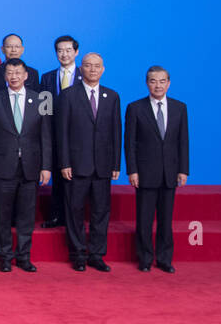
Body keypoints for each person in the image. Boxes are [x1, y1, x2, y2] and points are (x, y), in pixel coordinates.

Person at [0, 59, 52, 272]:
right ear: (5, 75)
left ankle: (23, 256)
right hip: (2, 166)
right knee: (3, 214)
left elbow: (46, 136)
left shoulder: (42, 99)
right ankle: (4, 255)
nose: (14, 76)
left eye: (18, 72)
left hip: (31, 166)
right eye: (10, 72)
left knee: (27, 215)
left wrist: (46, 166)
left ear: (26, 75)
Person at [57, 52, 121, 272]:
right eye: (88, 66)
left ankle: (96, 254)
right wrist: (64, 162)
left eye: (97, 66)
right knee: (74, 210)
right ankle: (77, 253)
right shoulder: (68, 95)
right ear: (80, 69)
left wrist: (115, 165)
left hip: (103, 166)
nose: (92, 70)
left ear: (103, 69)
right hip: (76, 165)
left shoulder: (112, 96)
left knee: (101, 211)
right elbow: (62, 132)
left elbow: (116, 132)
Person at [125, 66, 188, 273]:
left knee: (165, 220)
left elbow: (183, 142)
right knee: (144, 219)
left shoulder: (180, 108)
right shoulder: (135, 108)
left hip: (170, 173)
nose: (158, 85)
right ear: (147, 83)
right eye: (153, 81)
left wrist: (183, 170)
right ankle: (144, 258)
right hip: (144, 173)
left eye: (162, 81)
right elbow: (130, 143)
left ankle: (164, 259)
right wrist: (132, 170)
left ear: (168, 83)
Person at [40, 34, 80, 229]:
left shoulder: (84, 76)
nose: (64, 54)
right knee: (57, 177)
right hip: (55, 136)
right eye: (60, 51)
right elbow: (44, 110)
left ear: (76, 52)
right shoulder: (47, 78)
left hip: (79, 138)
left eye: (68, 50)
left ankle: (74, 217)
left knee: (77, 181)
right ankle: (56, 216)